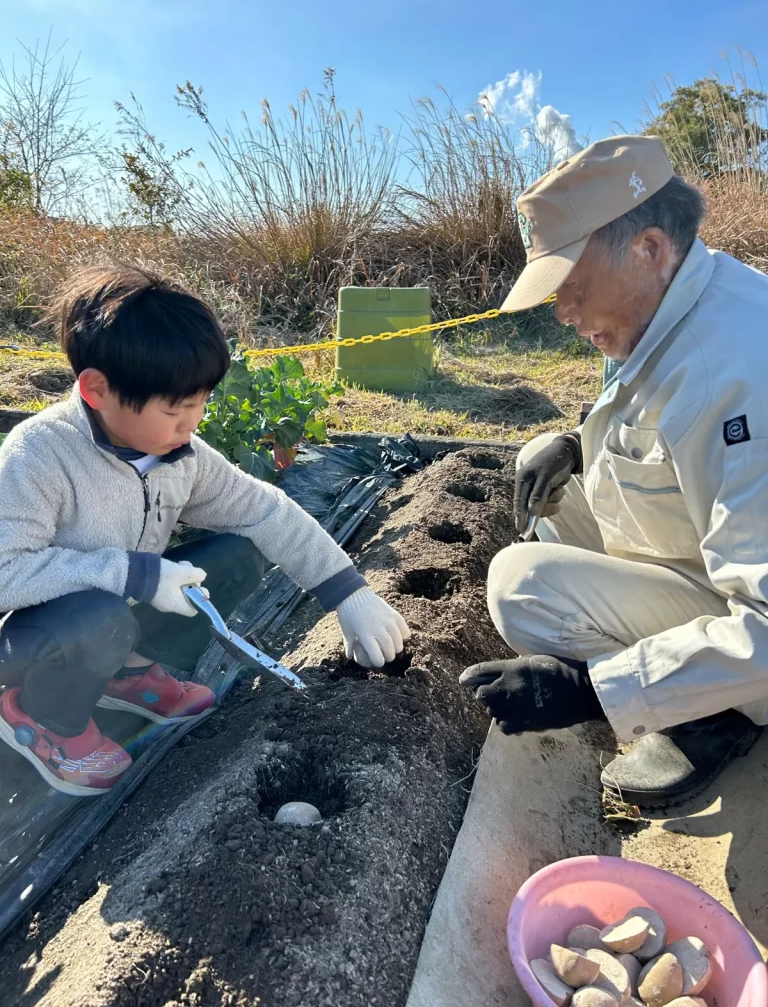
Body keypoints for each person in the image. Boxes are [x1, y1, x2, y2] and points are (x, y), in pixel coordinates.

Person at [0, 266, 410, 797]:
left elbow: (267, 510)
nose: (191, 422)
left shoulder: (181, 456)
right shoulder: (40, 454)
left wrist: (347, 592)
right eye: (176, 409)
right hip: (33, 641)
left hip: (111, 622)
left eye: (200, 403)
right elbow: (7, 571)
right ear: (97, 390)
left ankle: (125, 673)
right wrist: (134, 574)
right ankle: (44, 718)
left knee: (238, 554)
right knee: (96, 613)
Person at [460, 134, 768, 806]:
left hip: (752, 630)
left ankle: (714, 712)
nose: (565, 314)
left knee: (519, 586)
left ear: (650, 247)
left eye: (573, 286)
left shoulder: (740, 369)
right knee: (547, 476)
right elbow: (655, 426)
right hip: (697, 549)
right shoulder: (678, 300)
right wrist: (573, 443)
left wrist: (594, 692)